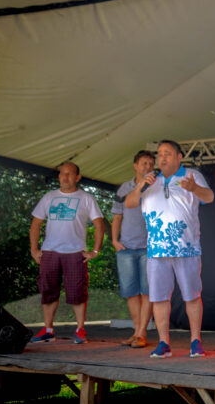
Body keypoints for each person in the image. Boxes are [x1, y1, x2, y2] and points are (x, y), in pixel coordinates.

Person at [125, 140, 214, 358]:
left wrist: (194, 188)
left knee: (191, 296)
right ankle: (164, 343)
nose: (162, 158)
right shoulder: (150, 181)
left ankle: (195, 341)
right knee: (158, 298)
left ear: (179, 157)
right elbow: (129, 203)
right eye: (160, 154)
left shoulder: (191, 175)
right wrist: (140, 186)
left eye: (167, 153)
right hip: (156, 251)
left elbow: (210, 197)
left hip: (187, 249)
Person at [29, 162, 104, 344]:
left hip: (75, 252)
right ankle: (48, 330)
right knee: (48, 291)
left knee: (77, 292)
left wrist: (95, 250)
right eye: (62, 174)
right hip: (50, 252)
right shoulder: (49, 197)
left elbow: (99, 224)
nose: (65, 177)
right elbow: (35, 224)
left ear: (77, 177)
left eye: (70, 174)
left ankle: (79, 330)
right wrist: (34, 249)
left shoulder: (86, 198)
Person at [112, 150, 155, 349]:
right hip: (126, 246)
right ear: (135, 166)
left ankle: (141, 333)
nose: (147, 167)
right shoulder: (124, 188)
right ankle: (137, 331)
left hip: (149, 247)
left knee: (147, 292)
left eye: (150, 164)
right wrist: (114, 240)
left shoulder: (156, 186)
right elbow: (117, 216)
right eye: (143, 163)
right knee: (131, 292)